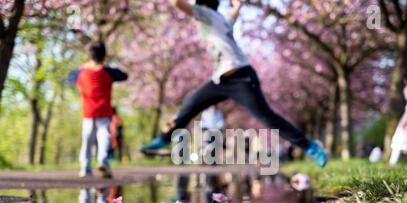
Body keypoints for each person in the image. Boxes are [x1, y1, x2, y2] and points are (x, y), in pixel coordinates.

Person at [140, 0, 328, 168]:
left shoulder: (206, 14)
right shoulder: (220, 21)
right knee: (191, 102)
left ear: (202, 5)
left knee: (267, 117)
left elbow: (178, 3)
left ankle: (310, 147)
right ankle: (164, 138)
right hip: (220, 79)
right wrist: (236, 5)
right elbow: (234, 13)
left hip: (241, 78)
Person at [68, 42, 128, 178]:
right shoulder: (108, 71)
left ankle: (85, 168)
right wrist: (105, 66)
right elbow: (124, 75)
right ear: (104, 56)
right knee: (104, 138)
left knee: (87, 140)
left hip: (88, 113)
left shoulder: (80, 72)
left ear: (88, 56)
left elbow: (69, 79)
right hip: (104, 113)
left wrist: (84, 66)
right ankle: (103, 162)